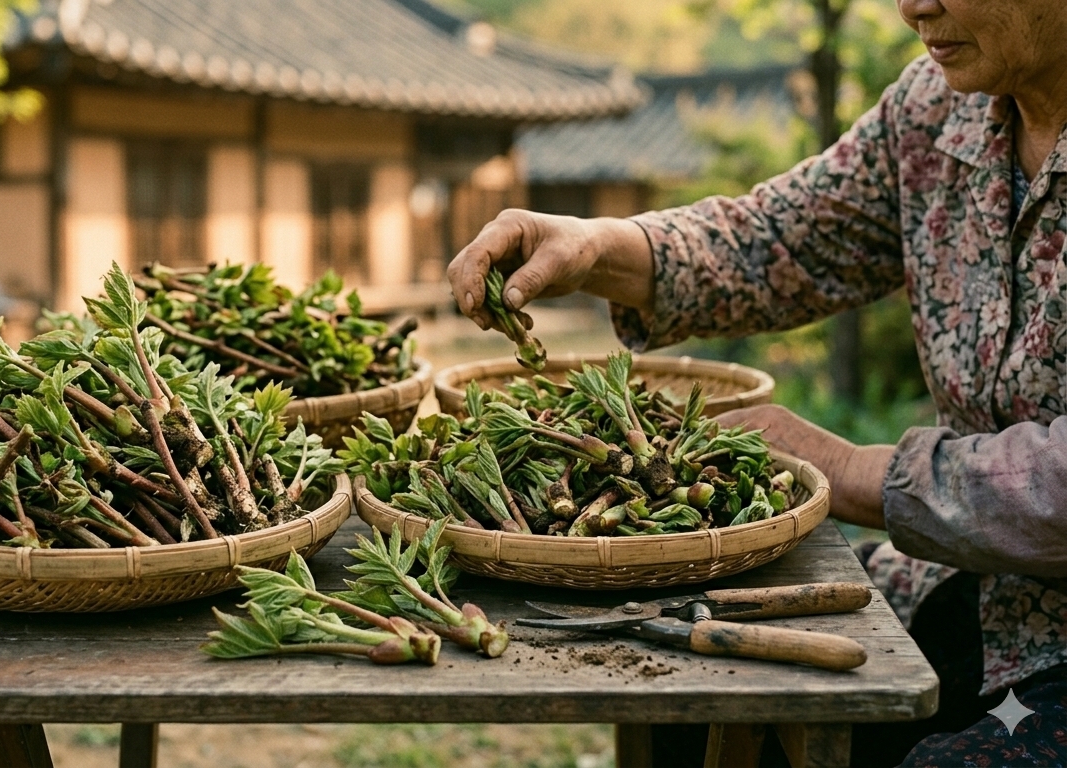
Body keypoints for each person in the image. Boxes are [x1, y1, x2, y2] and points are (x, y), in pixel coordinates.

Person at [447, 1, 1067, 765]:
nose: (914, 6)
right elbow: (782, 239)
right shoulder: (938, 109)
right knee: (693, 683)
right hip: (973, 591)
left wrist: (845, 471)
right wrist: (593, 245)